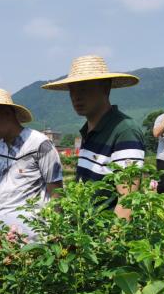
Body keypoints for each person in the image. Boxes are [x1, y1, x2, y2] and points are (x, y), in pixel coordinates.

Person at [42, 55, 145, 219]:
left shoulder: (124, 130)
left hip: (102, 238)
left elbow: (128, 200)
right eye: (72, 90)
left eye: (83, 88)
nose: (76, 96)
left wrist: (110, 243)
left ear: (105, 87)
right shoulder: (88, 130)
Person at [0, 88, 63, 237]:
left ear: (7, 113)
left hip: (33, 237)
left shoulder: (39, 144)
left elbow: (57, 193)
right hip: (2, 234)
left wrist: (56, 234)